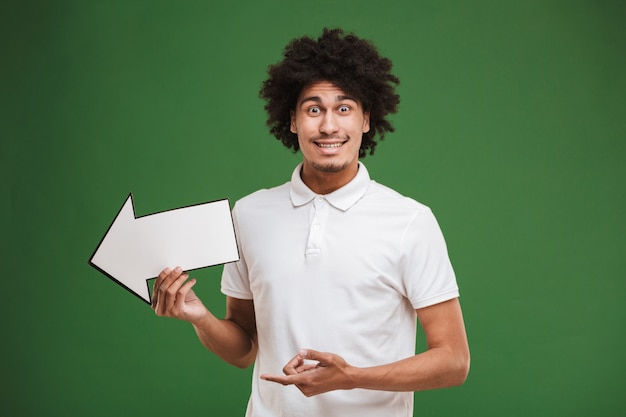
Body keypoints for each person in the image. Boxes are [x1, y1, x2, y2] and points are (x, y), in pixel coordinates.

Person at [151, 28, 470, 417]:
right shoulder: (249, 215)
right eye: (314, 109)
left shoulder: (410, 221)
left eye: (344, 108)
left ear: (366, 119)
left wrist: (351, 376)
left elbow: (454, 361)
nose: (329, 126)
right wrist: (198, 316)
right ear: (292, 120)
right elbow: (243, 348)